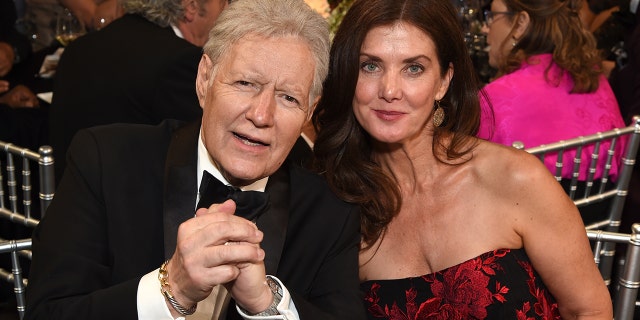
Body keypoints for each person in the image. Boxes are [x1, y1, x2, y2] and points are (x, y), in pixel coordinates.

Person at [25, 0, 364, 319]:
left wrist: (265, 303)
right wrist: (171, 290)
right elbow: (50, 311)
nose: (262, 115)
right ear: (205, 80)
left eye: (288, 97)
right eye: (246, 83)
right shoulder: (105, 162)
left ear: (310, 109)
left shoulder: (330, 215)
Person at [311, 0, 613, 318]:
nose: (389, 89)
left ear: (444, 80)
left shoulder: (515, 180)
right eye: (370, 66)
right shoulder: (340, 208)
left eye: (413, 68)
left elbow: (588, 311)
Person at [478, 0, 626, 224]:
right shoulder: (597, 82)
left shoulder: (495, 98)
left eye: (493, 16)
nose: (485, 28)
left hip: (521, 248)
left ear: (520, 23)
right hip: (593, 240)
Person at [48, 0, 223, 183]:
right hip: (129, 203)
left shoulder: (77, 48)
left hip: (68, 197)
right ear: (191, 6)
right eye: (224, 2)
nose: (227, 10)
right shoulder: (180, 61)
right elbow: (203, 153)